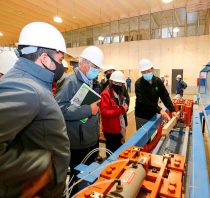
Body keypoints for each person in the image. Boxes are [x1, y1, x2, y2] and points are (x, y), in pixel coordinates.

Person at [0, 22, 70, 197]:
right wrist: (40, 167)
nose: (62, 66)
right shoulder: (25, 87)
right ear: (45, 59)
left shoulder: (32, 82)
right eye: (60, 60)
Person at [55, 46, 104, 194]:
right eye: (95, 67)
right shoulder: (69, 81)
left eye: (98, 68)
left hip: (90, 140)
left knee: (87, 177)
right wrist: (89, 110)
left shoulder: (90, 81)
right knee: (77, 181)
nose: (97, 71)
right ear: (83, 63)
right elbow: (59, 109)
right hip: (77, 143)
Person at [135, 58, 178, 130]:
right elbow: (144, 101)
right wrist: (160, 110)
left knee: (150, 132)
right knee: (143, 137)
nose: (146, 74)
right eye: (143, 72)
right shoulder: (139, 83)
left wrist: (172, 110)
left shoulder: (158, 81)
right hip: (141, 115)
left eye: (148, 71)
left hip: (152, 113)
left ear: (152, 69)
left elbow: (165, 96)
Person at [100, 71, 128, 152]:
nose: (118, 85)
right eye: (116, 83)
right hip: (110, 130)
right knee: (111, 151)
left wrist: (123, 109)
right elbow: (104, 113)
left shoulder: (119, 93)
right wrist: (121, 110)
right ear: (111, 82)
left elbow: (119, 110)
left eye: (120, 83)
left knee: (118, 149)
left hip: (118, 127)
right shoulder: (105, 94)